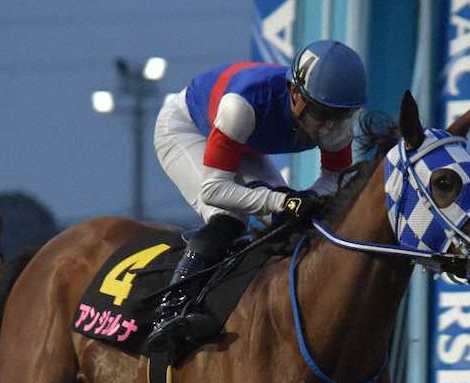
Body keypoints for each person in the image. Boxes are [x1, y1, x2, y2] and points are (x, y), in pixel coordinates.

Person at [142, 39, 367, 354]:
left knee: (291, 221)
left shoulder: (334, 124)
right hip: (188, 129)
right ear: (296, 94)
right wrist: (283, 201)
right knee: (228, 217)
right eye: (322, 114)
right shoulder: (242, 106)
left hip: (243, 142)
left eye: (341, 116)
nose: (330, 128)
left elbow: (334, 182)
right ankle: (170, 310)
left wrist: (306, 199)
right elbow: (214, 190)